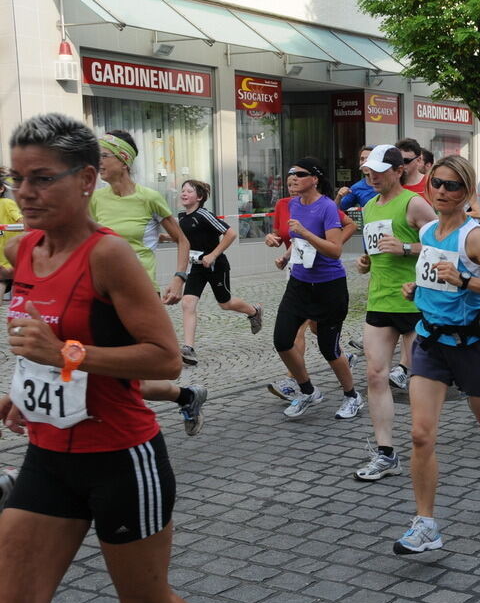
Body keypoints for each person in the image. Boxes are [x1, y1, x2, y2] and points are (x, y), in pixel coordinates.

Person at [0, 112, 200, 603]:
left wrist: (65, 355)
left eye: (42, 178)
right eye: (16, 178)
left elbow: (165, 357)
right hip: (47, 457)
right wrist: (26, 388)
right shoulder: (22, 248)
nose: (25, 192)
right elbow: (40, 339)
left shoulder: (108, 254)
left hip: (120, 460)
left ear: (87, 180)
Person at [393, 155, 480, 554]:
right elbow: (434, 279)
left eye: (452, 186)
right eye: (436, 183)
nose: (441, 191)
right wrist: (416, 291)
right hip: (431, 343)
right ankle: (426, 524)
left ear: (467, 192)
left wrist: (467, 279)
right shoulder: (431, 231)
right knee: (420, 435)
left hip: (470, 345)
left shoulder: (474, 237)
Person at [89, 130, 206, 435]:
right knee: (103, 371)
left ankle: (130, 434)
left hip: (138, 294)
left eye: (104, 155)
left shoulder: (148, 199)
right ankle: (186, 396)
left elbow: (182, 240)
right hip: (99, 293)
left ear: (124, 160)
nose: (98, 162)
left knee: (120, 372)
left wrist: (179, 278)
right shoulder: (95, 199)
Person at [355, 145, 436, 481]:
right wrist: (365, 261)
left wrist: (406, 248)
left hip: (415, 301)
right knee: (376, 375)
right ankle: (385, 452)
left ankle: (423, 442)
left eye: (379, 170)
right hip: (380, 300)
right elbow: (374, 251)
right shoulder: (369, 206)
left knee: (419, 381)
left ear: (398, 170)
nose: (372, 176)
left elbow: (442, 243)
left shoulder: (415, 203)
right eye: (368, 171)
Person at [270, 158, 361, 420]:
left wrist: (305, 233)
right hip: (299, 284)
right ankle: (308, 391)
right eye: (290, 174)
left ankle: (352, 396)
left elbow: (334, 251)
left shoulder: (327, 208)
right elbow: (298, 241)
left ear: (315, 179)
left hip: (328, 287)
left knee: (328, 348)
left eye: (300, 174)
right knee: (282, 340)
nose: (293, 178)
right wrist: (286, 256)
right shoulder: (294, 205)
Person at [176, 180, 262, 365]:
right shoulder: (182, 217)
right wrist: (166, 236)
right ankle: (188, 348)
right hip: (197, 267)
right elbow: (187, 239)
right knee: (188, 303)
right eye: (182, 190)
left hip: (216, 266)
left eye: (189, 191)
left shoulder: (205, 215)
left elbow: (230, 234)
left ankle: (254, 311)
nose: (184, 193)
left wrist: (213, 255)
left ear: (199, 197)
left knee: (225, 303)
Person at [0, 169, 23, 299]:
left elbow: (20, 221)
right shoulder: (7, 203)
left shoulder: (6, 203)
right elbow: (22, 222)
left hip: (8, 256)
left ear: (1, 189)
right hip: (7, 257)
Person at [336, 145, 378, 210]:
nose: (364, 162)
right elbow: (337, 209)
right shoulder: (357, 188)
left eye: (368, 158)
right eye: (362, 159)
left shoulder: (389, 183)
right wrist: (339, 196)